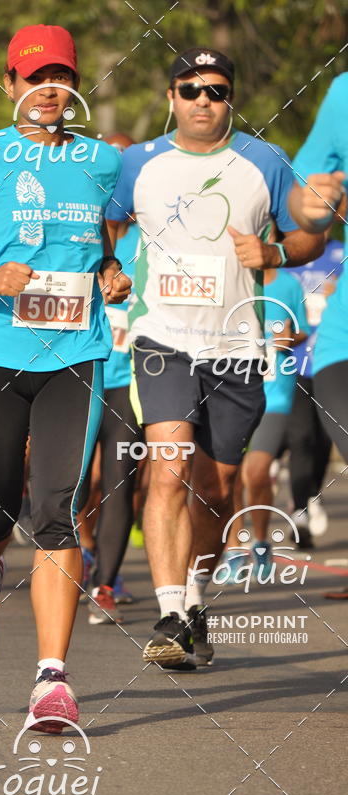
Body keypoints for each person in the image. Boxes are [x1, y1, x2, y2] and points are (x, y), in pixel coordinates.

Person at [0, 24, 130, 732]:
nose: (48, 89)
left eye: (60, 77)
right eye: (33, 77)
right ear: (10, 84)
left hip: (78, 352)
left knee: (60, 507)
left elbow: (109, 233)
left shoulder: (102, 160)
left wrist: (110, 268)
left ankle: (52, 681)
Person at [106, 47, 324, 669]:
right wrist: (110, 267)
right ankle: (172, 612)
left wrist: (278, 254)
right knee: (168, 468)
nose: (204, 100)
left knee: (217, 485)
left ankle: (196, 597)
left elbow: (313, 230)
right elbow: (102, 223)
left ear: (232, 99)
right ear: (172, 96)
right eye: (191, 88)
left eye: (217, 91)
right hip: (162, 340)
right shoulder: (136, 163)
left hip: (237, 345)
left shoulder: (265, 162)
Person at [79, 133, 143, 624]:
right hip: (74, 372)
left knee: (119, 481)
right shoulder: (72, 230)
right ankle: (77, 555)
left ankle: (103, 581)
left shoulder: (152, 241)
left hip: (128, 381)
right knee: (71, 483)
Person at [288, 72, 348, 597]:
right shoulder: (344, 93)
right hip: (324, 350)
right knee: (305, 442)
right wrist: (312, 201)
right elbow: (303, 199)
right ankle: (303, 507)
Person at [220, 254, 308, 581]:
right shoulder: (231, 278)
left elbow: (301, 330)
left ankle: (259, 540)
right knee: (227, 475)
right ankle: (233, 548)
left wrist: (289, 338)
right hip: (232, 392)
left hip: (275, 393)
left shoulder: (288, 284)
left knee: (256, 473)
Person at [286, 239, 342, 547]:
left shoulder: (341, 253)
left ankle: (311, 496)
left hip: (329, 360)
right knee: (301, 436)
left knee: (323, 438)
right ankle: (299, 509)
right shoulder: (290, 253)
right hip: (293, 363)